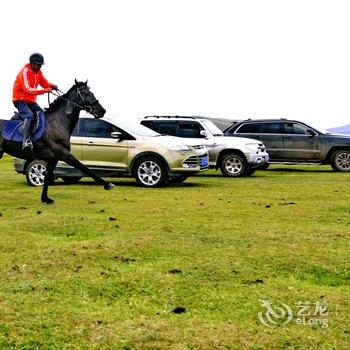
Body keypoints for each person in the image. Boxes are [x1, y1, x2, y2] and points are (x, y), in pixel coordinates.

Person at [12, 53, 57, 150]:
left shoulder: (38, 72)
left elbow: (44, 83)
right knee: (29, 115)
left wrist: (51, 86)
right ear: (32, 63)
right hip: (20, 100)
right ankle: (25, 142)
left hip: (31, 101)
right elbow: (27, 89)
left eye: (41, 64)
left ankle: (38, 137)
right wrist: (44, 91)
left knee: (42, 114)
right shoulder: (24, 72)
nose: (40, 66)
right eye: (38, 64)